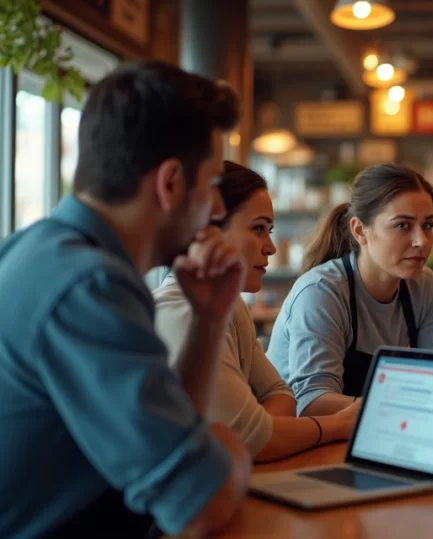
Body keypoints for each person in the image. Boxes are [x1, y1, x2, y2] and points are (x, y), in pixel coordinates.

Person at [0, 61, 251, 538]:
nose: (218, 210)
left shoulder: (35, 249)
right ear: (170, 183)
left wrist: (210, 319)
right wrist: (229, 449)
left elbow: (174, 439)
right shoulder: (88, 287)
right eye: (215, 185)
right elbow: (199, 506)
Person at [154, 161, 363, 462]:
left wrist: (262, 431)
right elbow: (253, 440)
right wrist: (339, 424)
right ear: (207, 231)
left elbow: (280, 395)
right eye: (258, 229)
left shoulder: (230, 305)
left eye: (270, 231)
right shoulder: (179, 313)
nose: (271, 247)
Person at [267, 164, 433, 418]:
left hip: (370, 434)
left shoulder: (422, 284)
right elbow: (313, 402)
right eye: (403, 225)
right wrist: (417, 403)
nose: (422, 241)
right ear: (360, 231)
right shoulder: (322, 292)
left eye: (428, 225)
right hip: (301, 443)